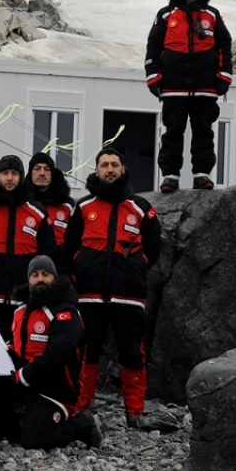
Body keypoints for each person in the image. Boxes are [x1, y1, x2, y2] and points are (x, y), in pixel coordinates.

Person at [64, 148, 162, 429]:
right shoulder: (83, 207)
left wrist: (137, 265)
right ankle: (81, 409)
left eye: (114, 164)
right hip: (90, 294)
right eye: (104, 165)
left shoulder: (142, 207)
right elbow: (70, 245)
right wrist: (80, 268)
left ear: (123, 169)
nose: (109, 169)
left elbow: (154, 249)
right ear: (96, 170)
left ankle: (135, 412)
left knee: (132, 352)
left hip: (129, 295)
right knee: (87, 350)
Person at [0, 256, 102, 449]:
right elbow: (15, 345)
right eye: (35, 275)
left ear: (55, 278)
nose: (40, 278)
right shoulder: (21, 310)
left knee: (33, 441)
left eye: (46, 274)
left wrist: (24, 375)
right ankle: (8, 428)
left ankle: (80, 425)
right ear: (29, 280)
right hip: (27, 381)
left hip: (55, 388)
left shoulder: (65, 312)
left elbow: (59, 354)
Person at [144, 0, 233, 192]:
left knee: (203, 132)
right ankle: (170, 176)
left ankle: (202, 175)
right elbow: (153, 47)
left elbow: (224, 46)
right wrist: (153, 77)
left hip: (205, 87)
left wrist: (224, 75)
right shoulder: (165, 14)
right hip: (173, 88)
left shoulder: (212, 15)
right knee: (173, 132)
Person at [0, 154, 58, 341]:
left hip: (23, 296)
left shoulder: (37, 212)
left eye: (14, 173)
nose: (10, 178)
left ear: (22, 177)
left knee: (18, 347)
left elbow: (50, 253)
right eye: (5, 173)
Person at [25, 152, 75, 248]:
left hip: (59, 261)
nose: (42, 173)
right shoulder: (23, 203)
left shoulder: (67, 205)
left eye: (47, 169)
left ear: (52, 174)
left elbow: (76, 238)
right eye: (37, 168)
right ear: (30, 173)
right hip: (28, 260)